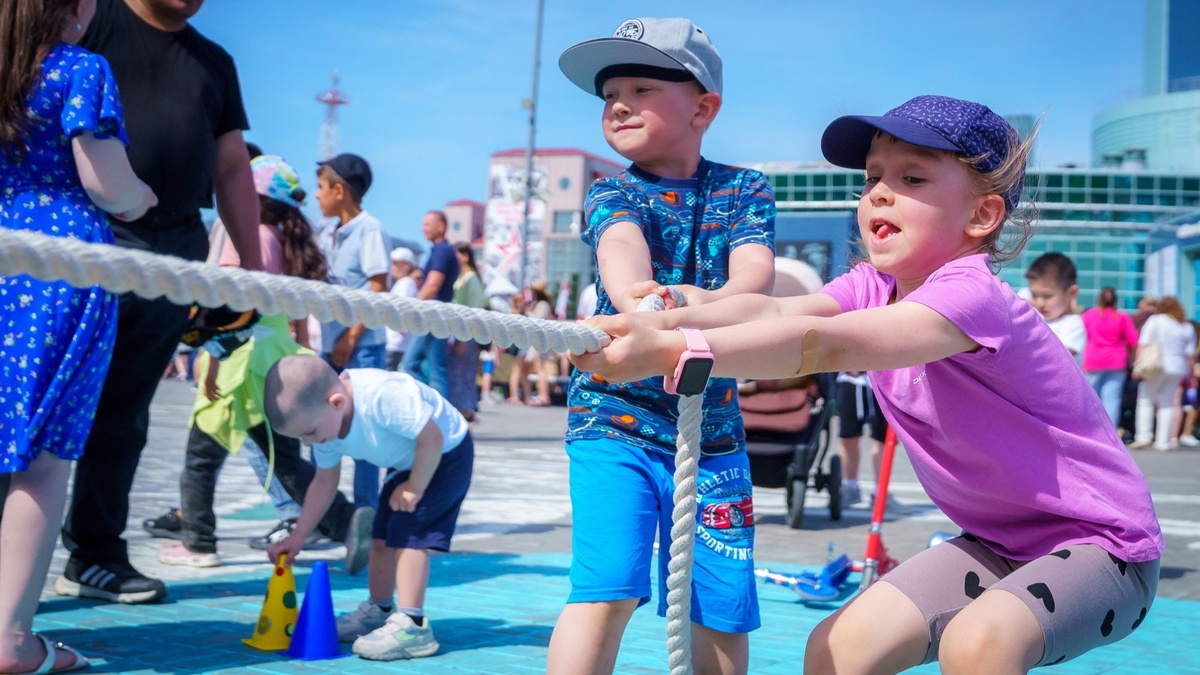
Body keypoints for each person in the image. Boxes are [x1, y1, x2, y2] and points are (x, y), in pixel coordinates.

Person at [572, 95, 1163, 673]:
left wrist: (674, 349)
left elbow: (831, 343)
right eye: (873, 176)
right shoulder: (872, 285)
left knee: (980, 642)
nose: (878, 190)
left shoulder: (972, 294)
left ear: (981, 215)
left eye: (912, 177)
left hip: (1104, 547)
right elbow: (777, 314)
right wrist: (667, 316)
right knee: (838, 649)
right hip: (997, 543)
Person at [550, 18, 777, 674]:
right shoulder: (611, 189)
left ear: (702, 107)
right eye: (609, 93)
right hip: (611, 422)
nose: (617, 103)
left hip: (715, 438)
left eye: (641, 87)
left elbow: (753, 285)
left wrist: (677, 304)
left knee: (722, 601)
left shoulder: (744, 190)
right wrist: (638, 299)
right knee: (607, 586)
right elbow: (622, 253)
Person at [57, 0, 263, 606]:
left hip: (174, 254)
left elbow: (230, 167)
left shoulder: (214, 62)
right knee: (31, 404)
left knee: (123, 417)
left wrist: (249, 272)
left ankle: (95, 554)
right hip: (77, 243)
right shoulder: (89, 20)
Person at [0, 0, 157, 669]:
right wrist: (143, 197)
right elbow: (105, 181)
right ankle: (10, 639)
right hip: (59, 265)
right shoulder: (79, 69)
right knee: (41, 459)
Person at [155, 155, 372, 570]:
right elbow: (297, 311)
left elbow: (228, 309)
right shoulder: (286, 241)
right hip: (277, 355)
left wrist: (214, 363)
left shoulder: (248, 236)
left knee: (201, 458)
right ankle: (346, 523)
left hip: (240, 358)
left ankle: (198, 543)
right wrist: (303, 349)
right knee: (284, 459)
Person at [262, 354, 474, 662]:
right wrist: (299, 536)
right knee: (381, 539)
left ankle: (412, 625)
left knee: (409, 537)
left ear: (336, 402)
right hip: (407, 461)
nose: (308, 443)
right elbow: (323, 482)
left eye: (308, 433)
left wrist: (415, 487)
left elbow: (432, 437)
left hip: (445, 453)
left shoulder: (382, 396)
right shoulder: (324, 422)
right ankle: (379, 610)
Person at [315, 152, 389, 511]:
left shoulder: (368, 228)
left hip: (360, 347)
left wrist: (351, 337)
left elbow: (378, 286)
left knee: (363, 434)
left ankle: (366, 513)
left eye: (321, 187)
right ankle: (324, 512)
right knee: (318, 429)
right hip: (330, 346)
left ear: (339, 190)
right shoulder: (328, 233)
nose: (317, 195)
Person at [402, 211, 459, 397]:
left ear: (440, 227)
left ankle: (439, 412)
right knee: (424, 367)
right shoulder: (440, 250)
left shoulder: (443, 250)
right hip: (435, 316)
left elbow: (433, 285)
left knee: (423, 368)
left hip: (434, 316)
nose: (422, 228)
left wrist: (408, 312)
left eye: (427, 224)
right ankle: (435, 407)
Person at [1131, 296, 1197, 451]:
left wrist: (1137, 365)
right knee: (1168, 403)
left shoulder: (1155, 320)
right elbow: (1190, 355)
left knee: (1145, 400)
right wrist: (1191, 375)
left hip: (1154, 365)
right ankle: (1163, 441)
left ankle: (1143, 436)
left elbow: (1143, 345)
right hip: (1176, 368)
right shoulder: (1185, 326)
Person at [833, 372, 899, 511]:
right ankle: (850, 487)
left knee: (883, 439)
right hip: (851, 377)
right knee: (848, 436)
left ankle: (881, 493)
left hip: (882, 379)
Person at [1081, 287, 1139, 428]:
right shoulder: (1122, 316)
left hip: (1094, 361)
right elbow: (1133, 340)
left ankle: (1089, 429)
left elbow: (1080, 336)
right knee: (1112, 399)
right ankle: (1110, 434)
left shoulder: (1088, 315)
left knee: (1089, 398)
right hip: (1116, 362)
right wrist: (1132, 359)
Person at [447, 242, 488, 421]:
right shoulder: (462, 277)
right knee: (459, 373)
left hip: (466, 334)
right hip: (458, 333)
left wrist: (464, 338)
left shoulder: (470, 278)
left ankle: (466, 411)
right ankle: (464, 411)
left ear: (464, 256)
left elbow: (475, 309)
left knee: (462, 373)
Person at [1024, 252, 1084, 364]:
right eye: (1034, 295)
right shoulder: (1036, 318)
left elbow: (1057, 360)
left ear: (1072, 292)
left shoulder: (1073, 324)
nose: (1040, 303)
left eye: (1047, 296)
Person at [522, 282, 557, 407]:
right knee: (539, 368)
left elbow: (538, 320)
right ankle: (542, 395)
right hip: (542, 341)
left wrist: (529, 313)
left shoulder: (542, 305)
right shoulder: (545, 304)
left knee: (539, 368)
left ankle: (544, 396)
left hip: (539, 341)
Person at [385, 247, 419, 372]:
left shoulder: (405, 283)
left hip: (395, 342)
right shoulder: (405, 283)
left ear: (406, 266)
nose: (391, 266)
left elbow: (403, 308)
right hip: (397, 342)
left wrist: (400, 327)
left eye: (395, 263)